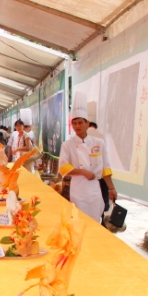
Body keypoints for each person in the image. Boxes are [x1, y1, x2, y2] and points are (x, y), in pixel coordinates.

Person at [58, 93, 117, 222]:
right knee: (78, 220)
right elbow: (63, 168)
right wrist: (83, 172)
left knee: (95, 219)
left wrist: (111, 188)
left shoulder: (99, 143)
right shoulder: (67, 145)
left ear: (87, 123)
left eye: (80, 123)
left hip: (94, 188)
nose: (77, 126)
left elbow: (105, 168)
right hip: (77, 189)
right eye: (74, 123)